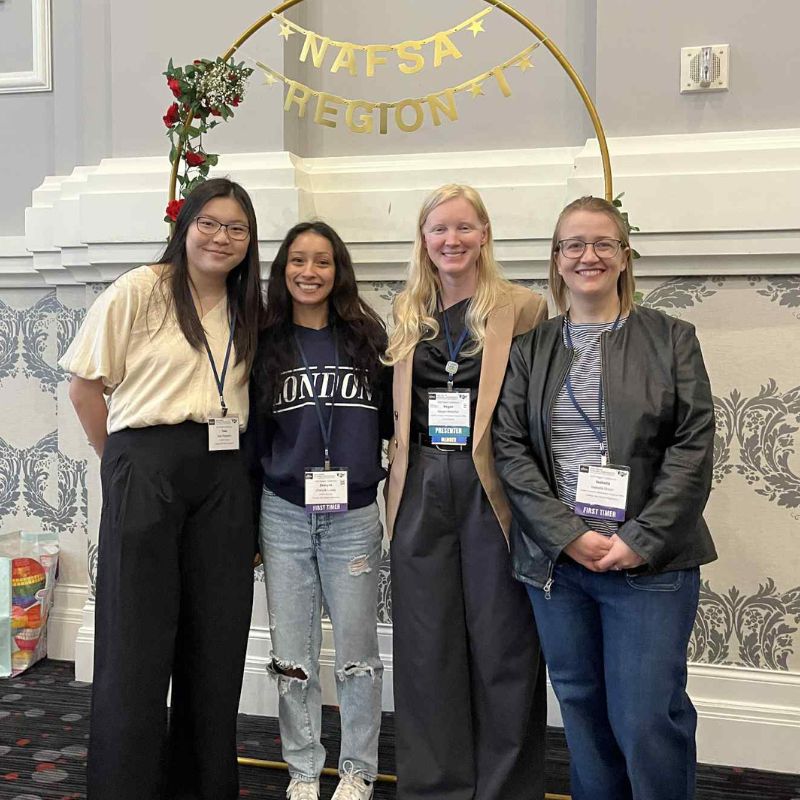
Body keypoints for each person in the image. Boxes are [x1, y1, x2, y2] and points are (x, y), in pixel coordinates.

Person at [493, 195, 718, 800]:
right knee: (584, 714)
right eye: (574, 245)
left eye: (603, 244)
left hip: (651, 564)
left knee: (646, 717)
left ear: (623, 256)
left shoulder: (673, 339)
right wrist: (569, 535)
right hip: (559, 568)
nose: (588, 255)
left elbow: (693, 450)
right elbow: (511, 450)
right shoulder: (530, 349)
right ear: (557, 260)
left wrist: (639, 540)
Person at [59, 177, 263, 799]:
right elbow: (84, 387)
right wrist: (120, 465)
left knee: (217, 638)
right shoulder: (142, 289)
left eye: (236, 228)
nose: (221, 238)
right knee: (136, 641)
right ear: (186, 226)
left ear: (249, 241)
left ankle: (202, 787)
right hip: (146, 461)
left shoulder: (250, 304)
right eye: (210, 223)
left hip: (226, 472)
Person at [383, 184, 549, 800]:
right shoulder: (406, 311)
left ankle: (506, 788)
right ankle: (434, 787)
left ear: (484, 234)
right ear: (423, 241)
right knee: (426, 647)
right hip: (420, 483)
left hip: (494, 488)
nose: (451, 241)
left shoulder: (524, 309)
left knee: (503, 643)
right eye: (438, 230)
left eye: (463, 228)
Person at [251, 221, 391, 800]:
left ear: (339, 271)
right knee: (292, 655)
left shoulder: (367, 337)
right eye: (298, 261)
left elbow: (391, 426)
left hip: (353, 516)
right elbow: (252, 435)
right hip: (283, 513)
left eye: (323, 261)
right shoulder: (265, 342)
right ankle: (304, 771)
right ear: (284, 269)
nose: (310, 272)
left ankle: (358, 770)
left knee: (358, 654)